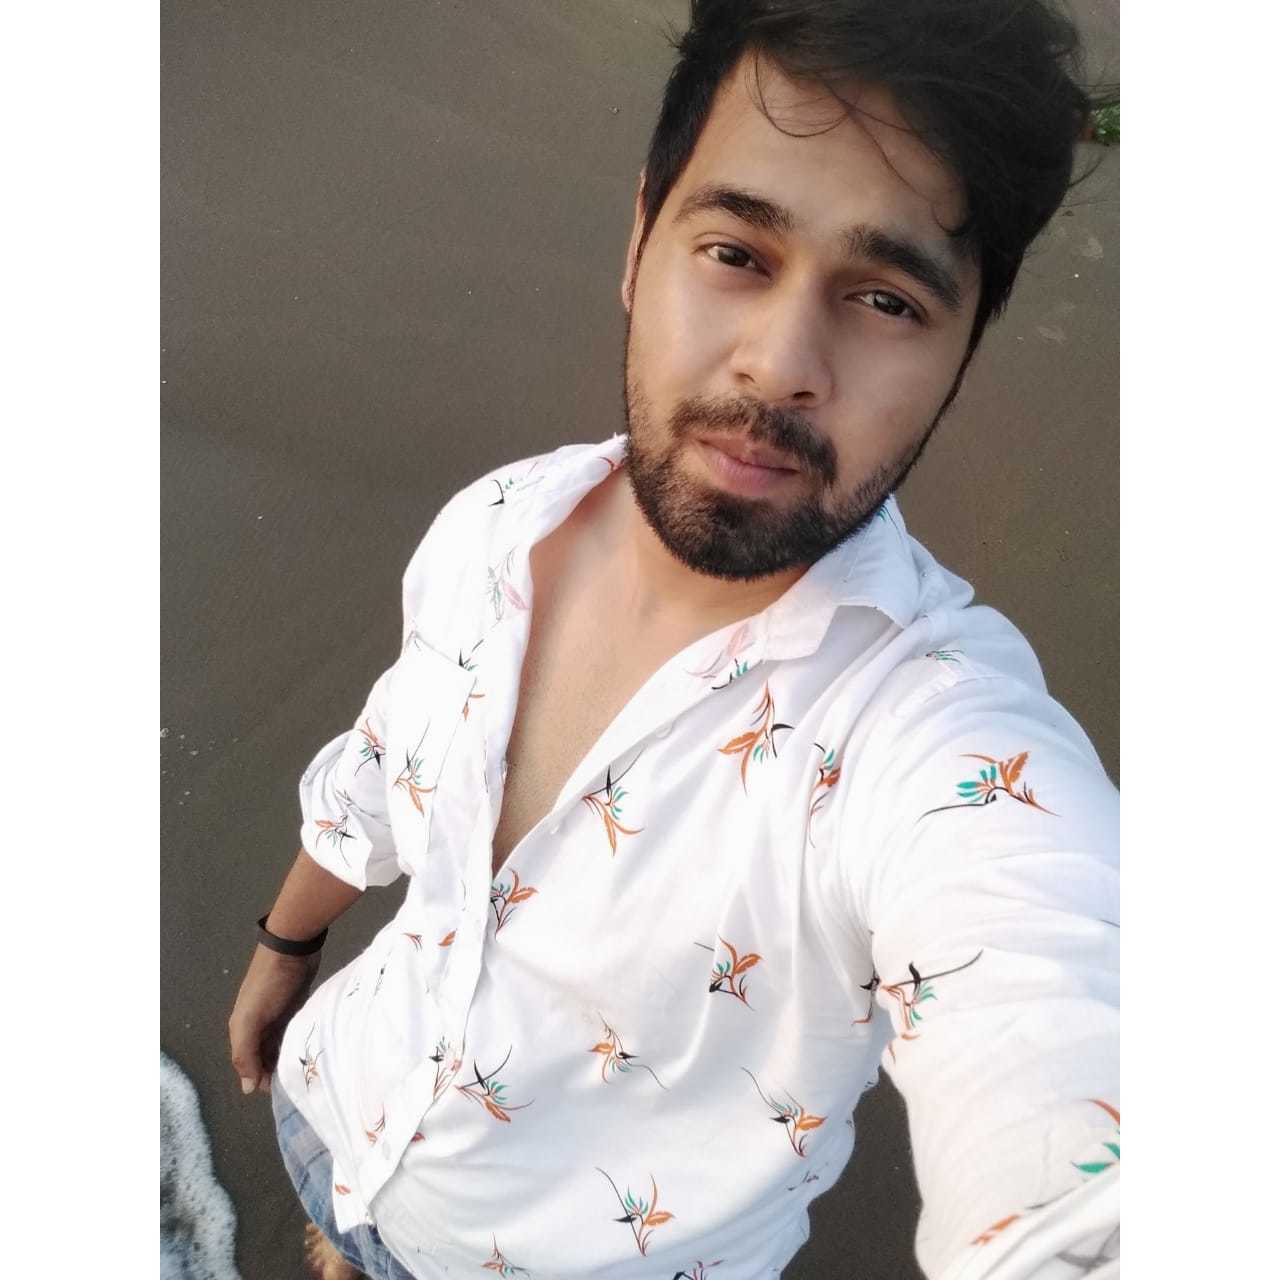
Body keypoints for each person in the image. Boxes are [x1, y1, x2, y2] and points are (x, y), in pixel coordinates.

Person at [228, 2, 1119, 1277]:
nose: (779, 365)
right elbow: (382, 761)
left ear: (963, 347)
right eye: (737, 252)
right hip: (334, 1111)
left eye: (884, 298)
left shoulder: (926, 731)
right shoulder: (499, 522)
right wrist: (288, 941)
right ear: (641, 238)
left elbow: (1059, 1017)